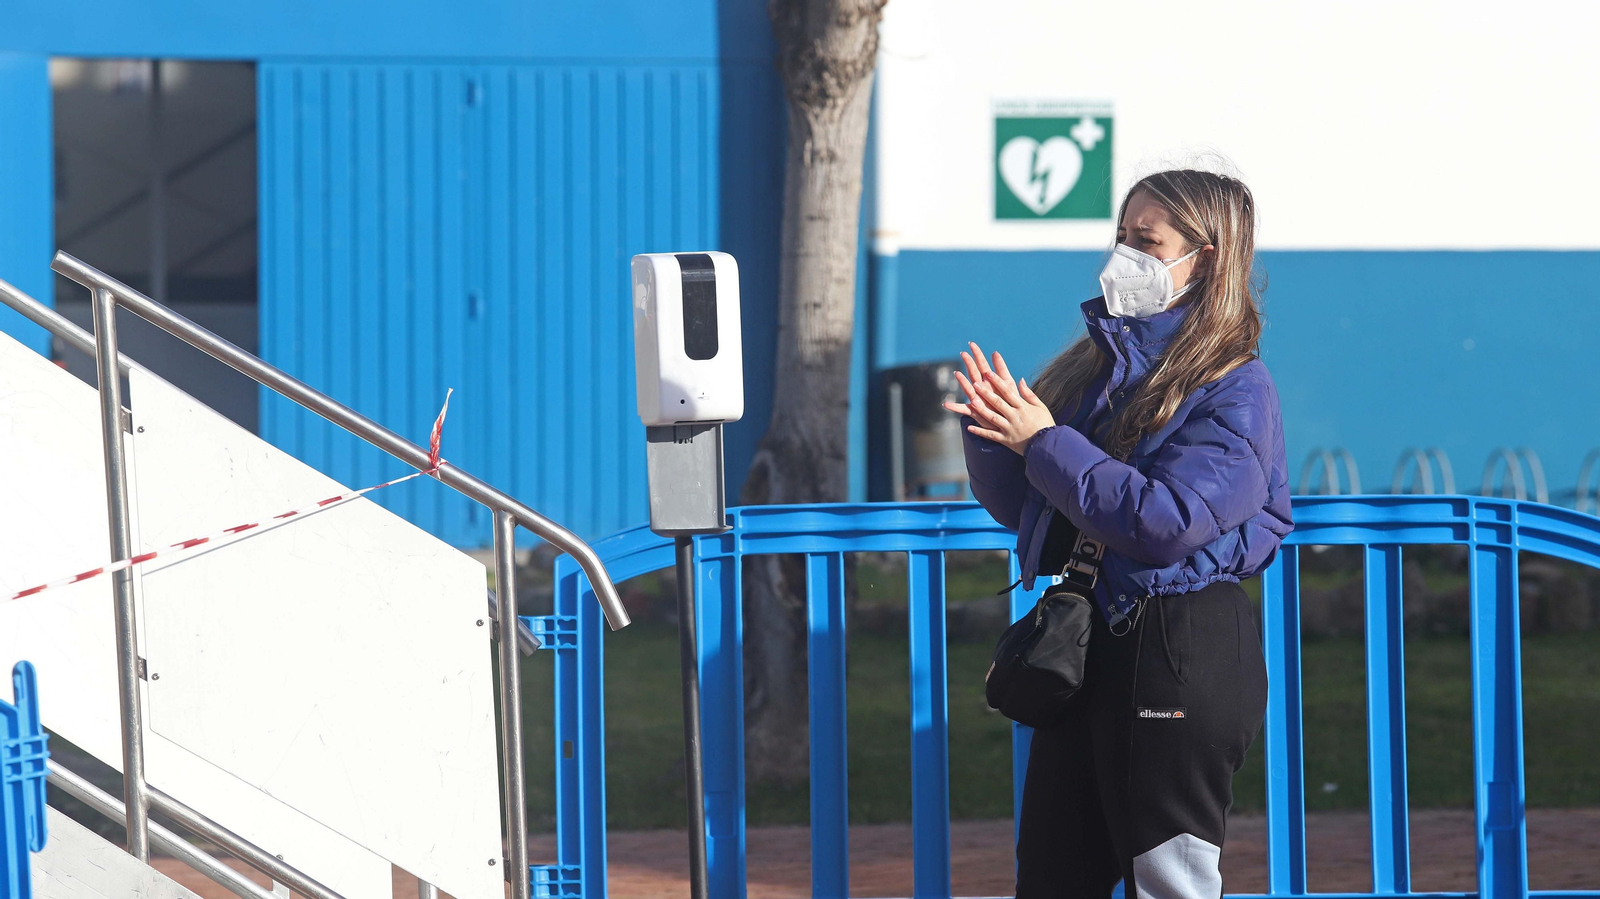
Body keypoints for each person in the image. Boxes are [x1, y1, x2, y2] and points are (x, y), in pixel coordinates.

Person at [943, 169, 1293, 899]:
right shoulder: (1098, 366)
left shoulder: (1236, 387)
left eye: (1147, 240)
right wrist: (994, 432)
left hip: (1178, 643)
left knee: (1167, 878)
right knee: (1051, 872)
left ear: (1207, 257)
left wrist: (1043, 442)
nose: (1124, 256)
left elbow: (1164, 522)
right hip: (1090, 641)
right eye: (1120, 236)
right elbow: (1039, 510)